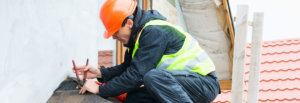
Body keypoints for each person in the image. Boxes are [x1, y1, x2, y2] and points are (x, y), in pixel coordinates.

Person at [73, 0, 221, 103]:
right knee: (135, 98)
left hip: (204, 84)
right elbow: (127, 68)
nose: (113, 37)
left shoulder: (154, 32)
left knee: (152, 77)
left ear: (129, 23)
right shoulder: (138, 38)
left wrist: (101, 90)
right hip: (181, 85)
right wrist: (100, 73)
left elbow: (136, 75)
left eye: (115, 32)